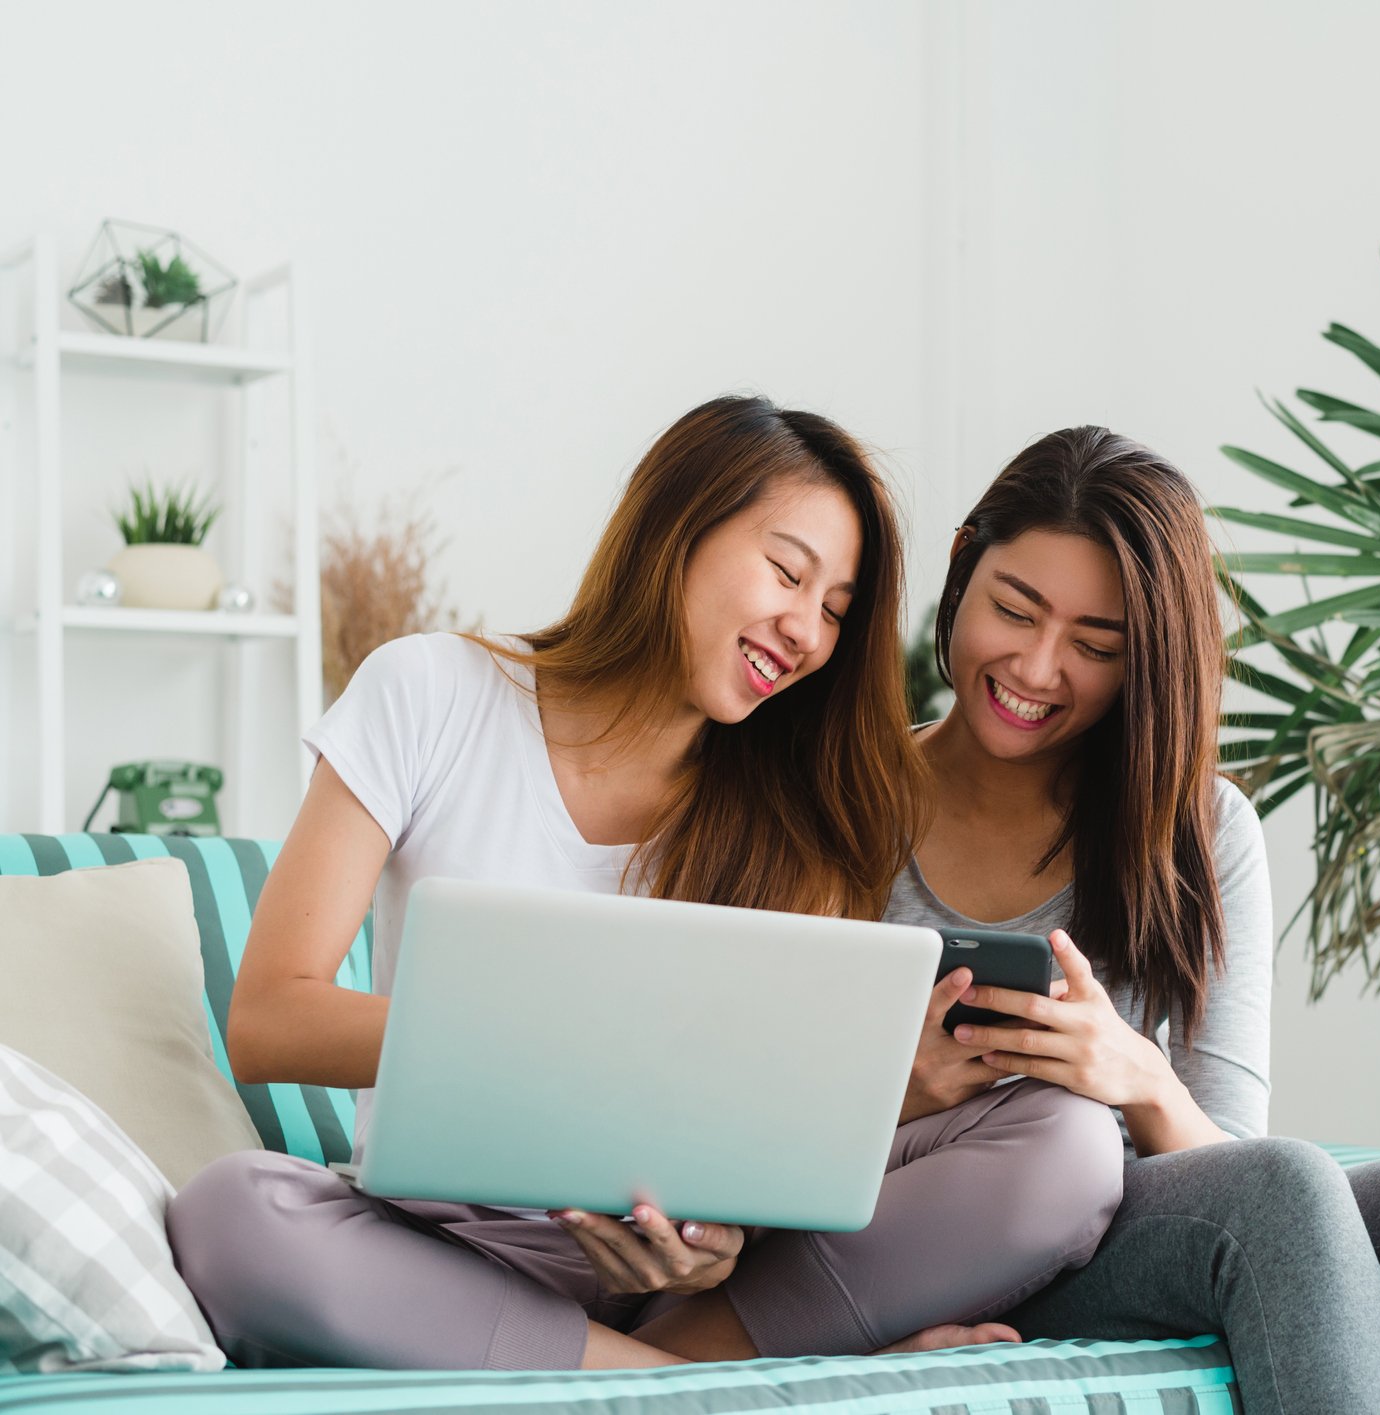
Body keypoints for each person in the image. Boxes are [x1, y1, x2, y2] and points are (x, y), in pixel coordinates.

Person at [166, 396, 1122, 1371]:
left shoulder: (793, 826)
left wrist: (713, 1244)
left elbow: (755, 1122)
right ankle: (673, 1382)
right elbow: (269, 1017)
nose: (804, 629)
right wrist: (547, 1045)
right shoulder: (430, 693)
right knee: (231, 1212)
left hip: (659, 1266)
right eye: (787, 572)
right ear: (676, 528)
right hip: (430, 1243)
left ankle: (650, 1355)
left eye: (835, 609)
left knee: (1069, 1143)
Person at [886, 425, 1380, 1414]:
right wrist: (911, 1093)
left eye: (1096, 646)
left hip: (1139, 1217)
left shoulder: (1199, 829)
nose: (1039, 668)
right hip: (953, 1224)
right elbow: (759, 1130)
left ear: (1146, 664)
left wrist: (1134, 1075)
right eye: (1014, 609)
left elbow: (1231, 1146)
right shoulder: (844, 802)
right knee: (1286, 1191)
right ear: (962, 567)